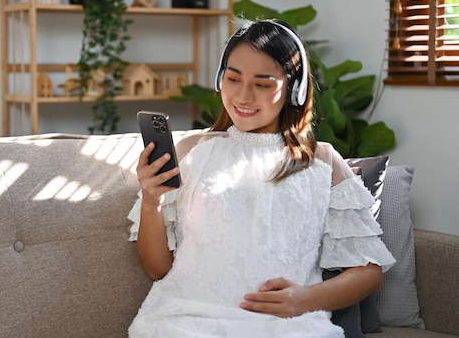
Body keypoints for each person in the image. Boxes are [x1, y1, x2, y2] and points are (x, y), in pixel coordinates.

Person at [126, 19, 396, 338]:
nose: (243, 95)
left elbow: (368, 272)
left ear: (294, 89)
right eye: (233, 78)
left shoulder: (322, 161)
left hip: (288, 326)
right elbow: (158, 268)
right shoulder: (192, 152)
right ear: (219, 79)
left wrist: (306, 299)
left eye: (262, 83)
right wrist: (152, 202)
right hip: (185, 318)